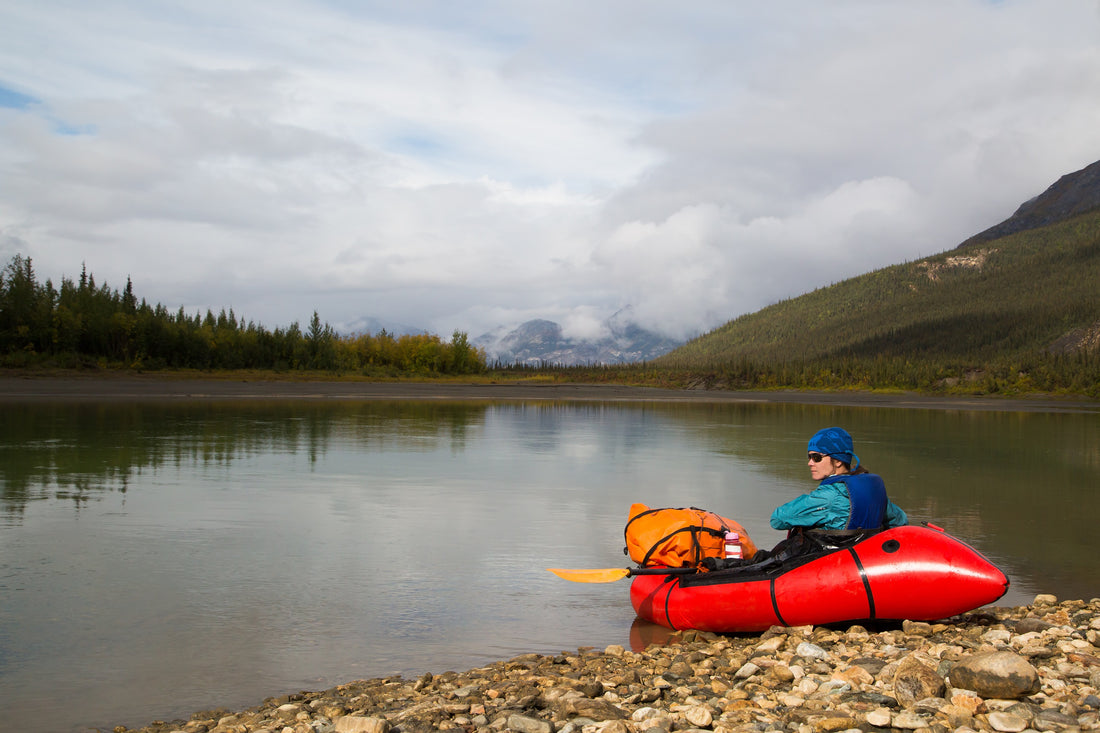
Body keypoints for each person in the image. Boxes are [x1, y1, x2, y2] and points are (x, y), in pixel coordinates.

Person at [770, 427, 908, 532]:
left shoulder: (829, 496)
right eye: (809, 457)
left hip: (835, 562)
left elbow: (777, 519)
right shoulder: (872, 489)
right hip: (863, 557)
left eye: (816, 457)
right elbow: (901, 521)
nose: (810, 463)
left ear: (838, 461)